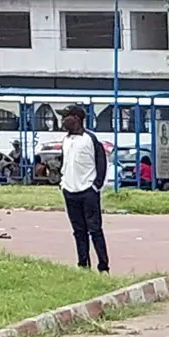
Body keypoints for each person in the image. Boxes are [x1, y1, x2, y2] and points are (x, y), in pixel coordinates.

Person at [58, 107, 111, 273]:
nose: (63, 120)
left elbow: (101, 163)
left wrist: (96, 185)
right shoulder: (65, 140)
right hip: (69, 190)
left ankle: (103, 266)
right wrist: (63, 183)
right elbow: (64, 163)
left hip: (88, 191)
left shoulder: (90, 139)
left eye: (66, 117)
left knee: (95, 230)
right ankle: (83, 264)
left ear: (77, 119)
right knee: (78, 231)